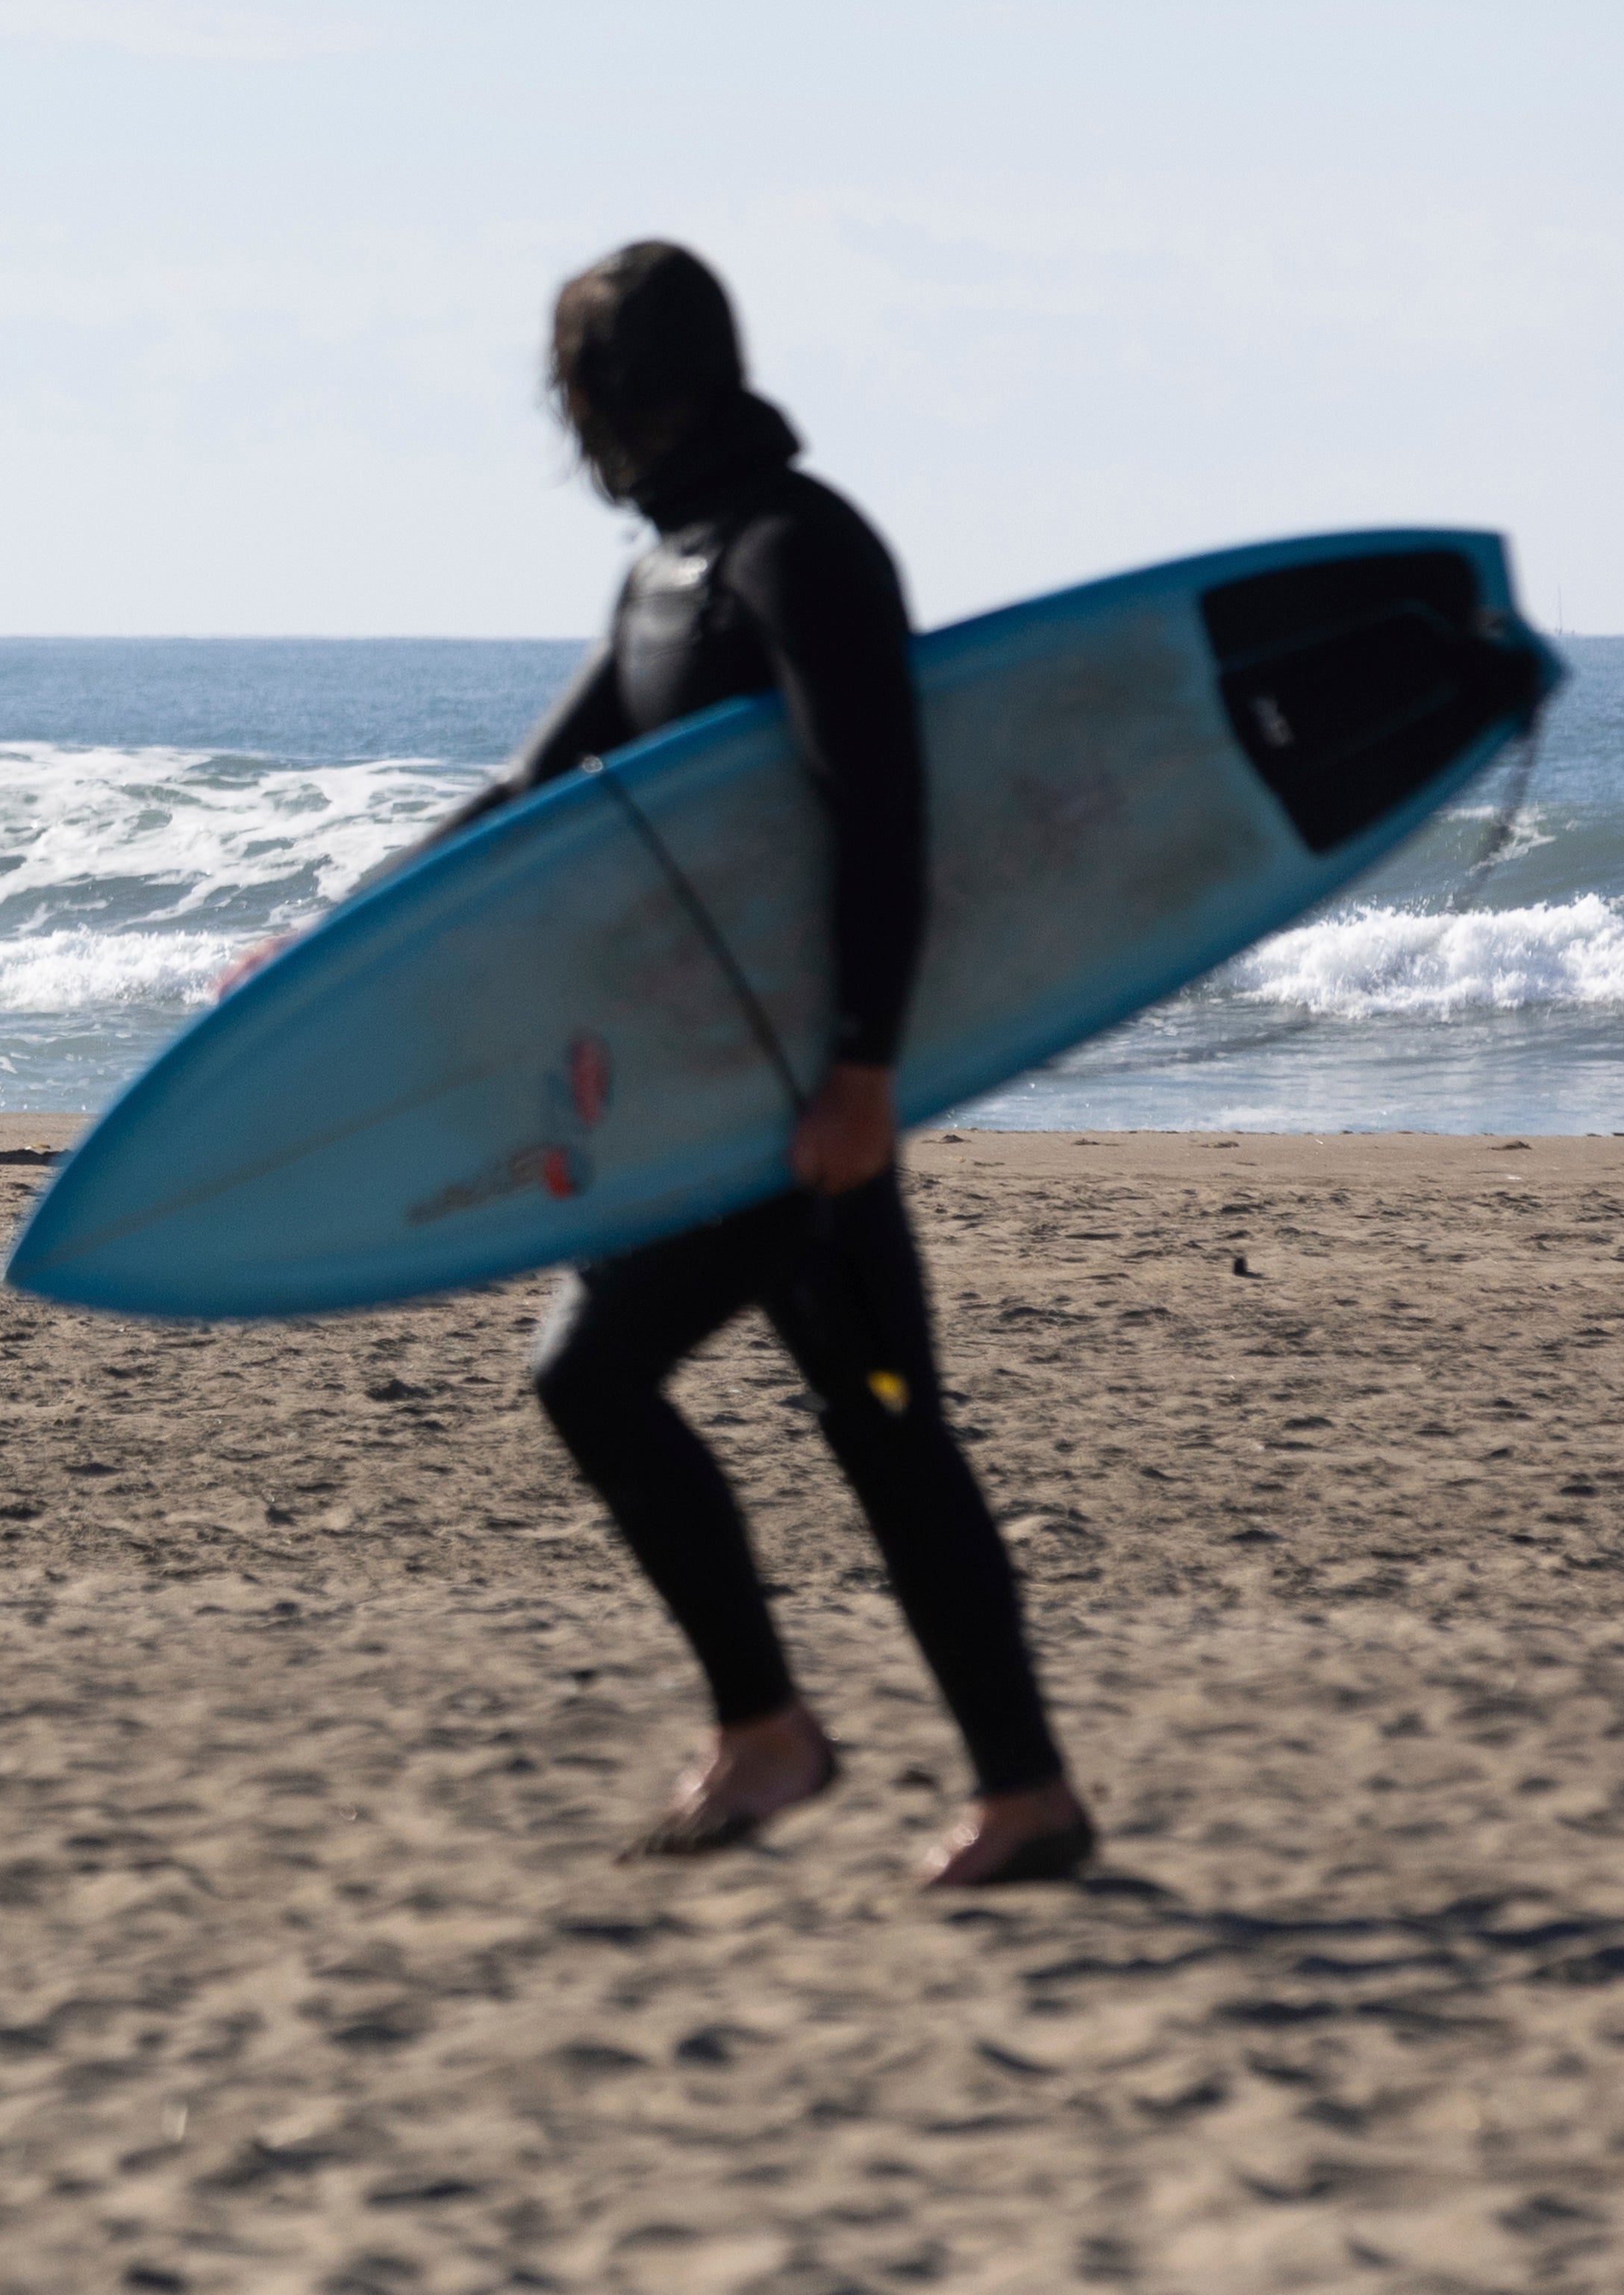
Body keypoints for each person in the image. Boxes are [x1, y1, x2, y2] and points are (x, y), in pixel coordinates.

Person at [266, 242, 1093, 1887]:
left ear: (617, 389)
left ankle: (808, 1739)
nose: (565, 424)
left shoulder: (797, 551)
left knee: (609, 1375)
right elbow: (530, 799)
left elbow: (884, 811)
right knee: (879, 1425)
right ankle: (993, 1784)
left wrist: (861, 1070)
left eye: (570, 390)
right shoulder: (678, 570)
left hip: (793, 1106)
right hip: (716, 1096)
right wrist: (326, 956)